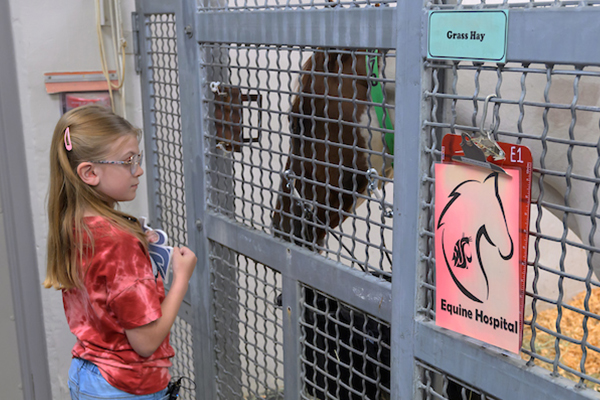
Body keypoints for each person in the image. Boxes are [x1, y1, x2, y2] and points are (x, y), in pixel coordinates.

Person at [43, 104, 197, 399]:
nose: (138, 170)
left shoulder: (75, 225)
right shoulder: (118, 242)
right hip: (125, 386)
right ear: (89, 172)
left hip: (87, 374)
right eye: (128, 161)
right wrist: (180, 280)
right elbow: (146, 341)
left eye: (137, 159)